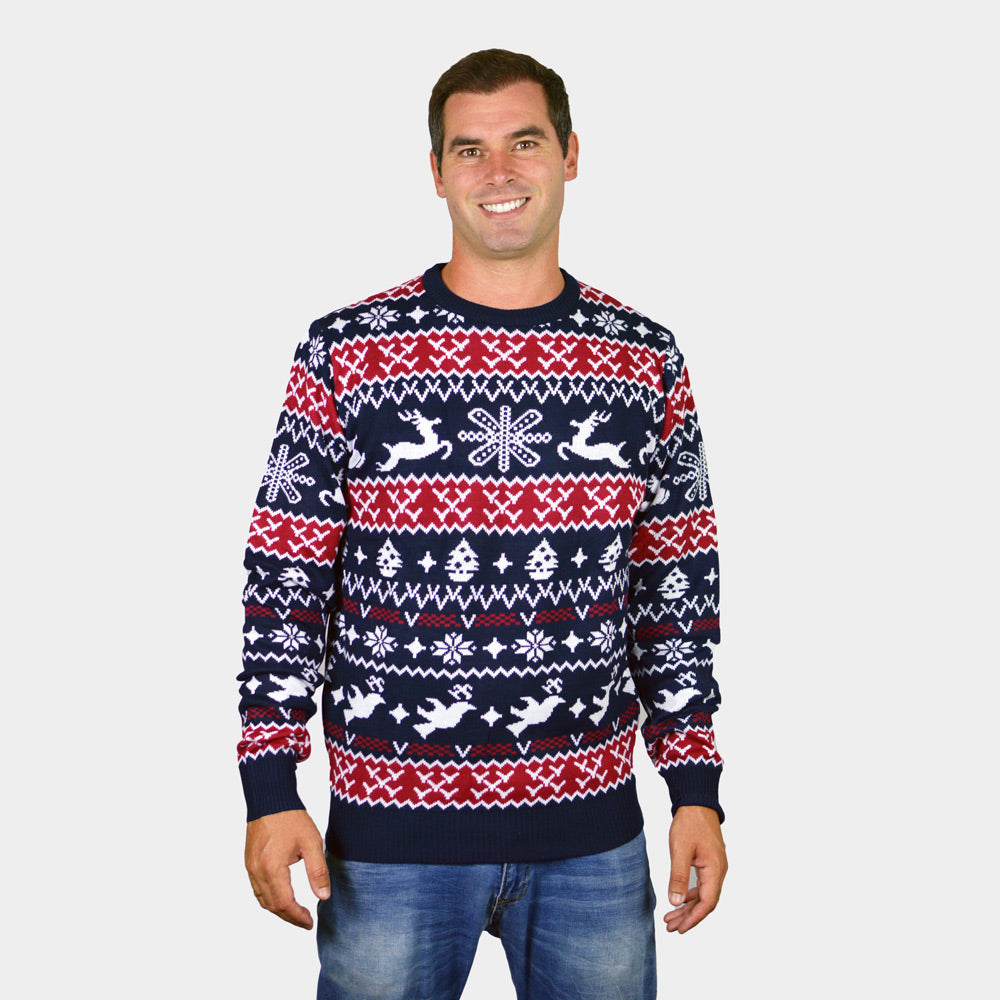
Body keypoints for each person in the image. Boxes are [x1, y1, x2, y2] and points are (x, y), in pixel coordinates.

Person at [238, 48, 727, 1000]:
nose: (498, 172)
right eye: (470, 149)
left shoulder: (644, 359)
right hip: (389, 843)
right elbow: (285, 579)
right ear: (437, 171)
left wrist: (696, 789)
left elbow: (675, 589)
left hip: (593, 837)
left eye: (524, 143)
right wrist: (269, 786)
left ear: (570, 154)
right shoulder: (349, 351)